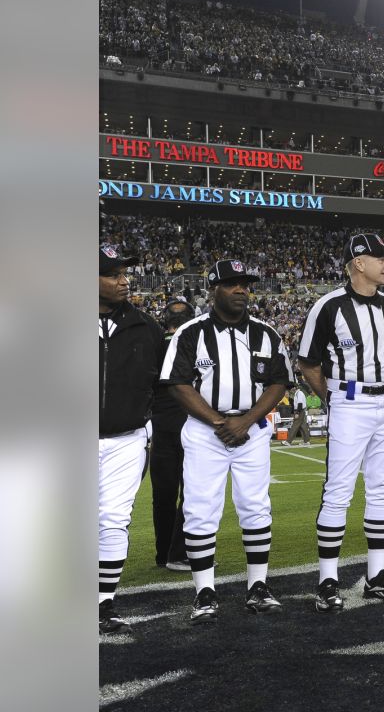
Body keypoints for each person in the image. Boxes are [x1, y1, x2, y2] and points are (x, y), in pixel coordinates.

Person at [161, 259, 293, 623]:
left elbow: (279, 382)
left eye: (245, 284)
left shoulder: (267, 333)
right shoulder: (191, 332)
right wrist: (221, 422)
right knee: (201, 510)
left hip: (251, 432)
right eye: (232, 284)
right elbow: (177, 383)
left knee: (255, 506)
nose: (241, 290)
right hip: (206, 432)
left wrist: (246, 421)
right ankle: (204, 591)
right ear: (213, 289)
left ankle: (258, 586)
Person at [298, 234, 384, 612]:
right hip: (349, 400)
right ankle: (327, 581)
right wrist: (333, 397)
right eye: (381, 258)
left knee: (383, 487)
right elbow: (307, 363)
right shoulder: (328, 306)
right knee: (339, 490)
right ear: (359, 262)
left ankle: (376, 576)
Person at [98, 244, 167, 633]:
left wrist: (152, 428)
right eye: (113, 274)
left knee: (113, 520)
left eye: (125, 274)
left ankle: (102, 603)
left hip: (127, 438)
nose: (124, 281)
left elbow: (163, 386)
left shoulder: (147, 327)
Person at [150, 300, 196, 572]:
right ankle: (179, 552)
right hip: (189, 423)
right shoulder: (193, 343)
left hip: (159, 424)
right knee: (191, 492)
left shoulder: (152, 346)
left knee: (163, 495)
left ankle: (162, 553)